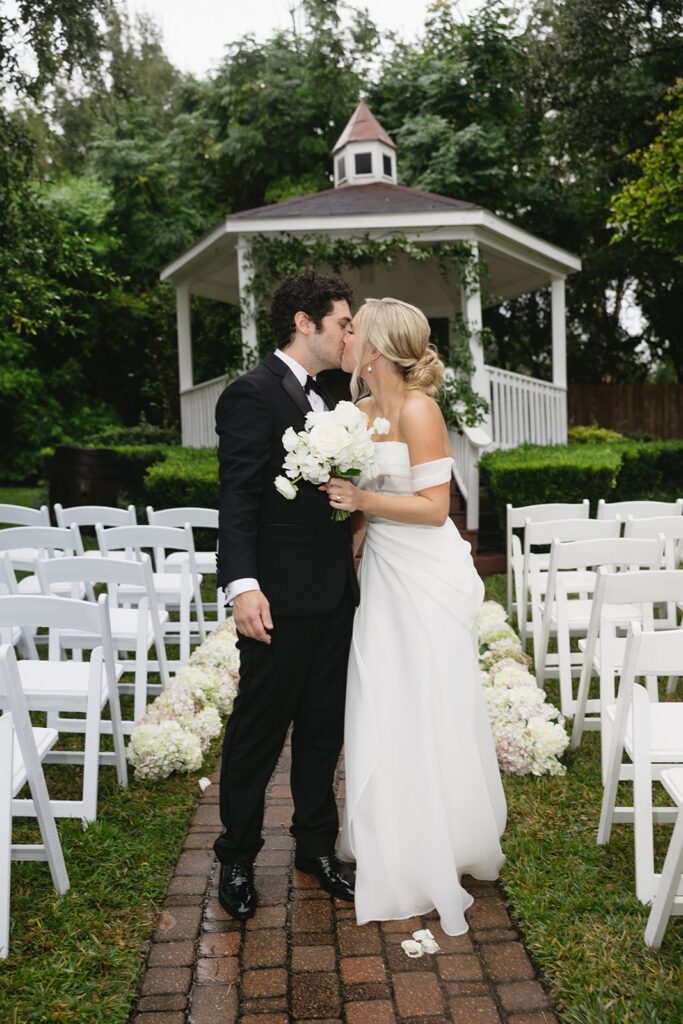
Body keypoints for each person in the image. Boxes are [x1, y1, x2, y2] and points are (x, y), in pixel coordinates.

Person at [323, 297, 507, 937]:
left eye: (355, 332)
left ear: (375, 348)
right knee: (382, 699)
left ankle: (441, 839)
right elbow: (367, 501)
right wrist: (356, 526)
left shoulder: (420, 410)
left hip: (423, 574)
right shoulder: (360, 413)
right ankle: (389, 835)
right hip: (380, 573)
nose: (346, 339)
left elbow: (434, 508)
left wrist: (361, 499)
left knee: (427, 700)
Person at [214, 270, 359, 920]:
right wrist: (242, 586)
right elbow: (239, 495)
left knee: (323, 729)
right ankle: (238, 856)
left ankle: (315, 848)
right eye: (342, 322)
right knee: (257, 732)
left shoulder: (327, 401)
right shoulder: (251, 394)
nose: (348, 333)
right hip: (276, 599)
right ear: (305, 322)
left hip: (333, 594)